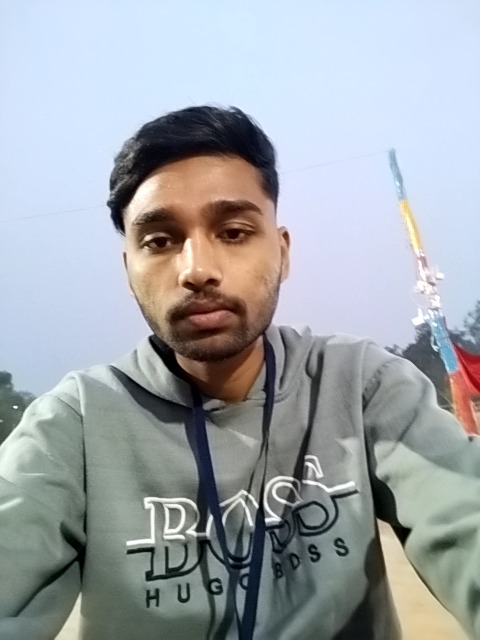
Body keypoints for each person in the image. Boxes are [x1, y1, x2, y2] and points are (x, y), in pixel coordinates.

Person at [0, 105, 479, 640]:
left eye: (232, 232)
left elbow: (465, 516)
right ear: (128, 268)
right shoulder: (74, 426)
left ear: (282, 252)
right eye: (159, 241)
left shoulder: (360, 384)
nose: (197, 270)